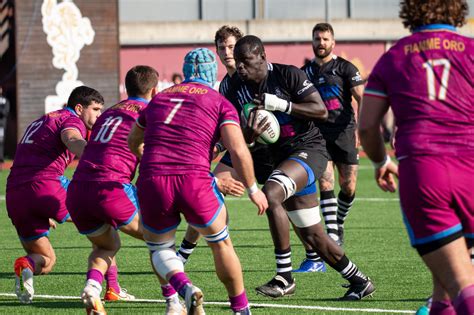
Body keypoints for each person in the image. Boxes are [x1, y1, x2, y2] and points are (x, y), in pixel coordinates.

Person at [225, 35, 374, 300]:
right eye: (238, 62)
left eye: (246, 61)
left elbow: (321, 111)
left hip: (309, 150)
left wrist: (280, 104)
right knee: (313, 235)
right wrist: (249, 134)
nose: (241, 67)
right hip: (280, 157)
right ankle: (359, 281)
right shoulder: (236, 85)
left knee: (271, 194)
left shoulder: (288, 75)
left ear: (262, 55)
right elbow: (242, 134)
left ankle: (285, 277)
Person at [128, 47, 268, 315]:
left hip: (154, 180)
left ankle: (182, 293)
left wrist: (149, 162)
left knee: (160, 249)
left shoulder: (158, 99)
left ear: (186, 71)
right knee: (221, 243)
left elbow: (134, 140)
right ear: (211, 74)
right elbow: (238, 150)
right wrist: (253, 189)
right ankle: (240, 309)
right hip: (194, 179)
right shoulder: (219, 101)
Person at [359, 0, 473, 314]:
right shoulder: (471, 49)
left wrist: (381, 162)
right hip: (471, 169)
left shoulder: (394, 57)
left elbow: (367, 127)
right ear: (456, 9)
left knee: (461, 284)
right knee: (445, 289)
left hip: (425, 173)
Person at [65, 66, 175, 314]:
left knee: (106, 245)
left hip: (78, 189)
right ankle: (176, 299)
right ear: (155, 90)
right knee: (159, 238)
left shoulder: (109, 112)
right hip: (111, 187)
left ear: (127, 89)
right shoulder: (151, 112)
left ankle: (93, 288)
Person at [6, 86, 103, 304]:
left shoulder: (43, 120)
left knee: (46, 261)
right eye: (95, 109)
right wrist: (96, 157)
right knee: (103, 224)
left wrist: (44, 206)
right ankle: (112, 289)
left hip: (15, 194)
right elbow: (71, 138)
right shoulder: (71, 120)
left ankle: (26, 265)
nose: (99, 115)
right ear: (79, 108)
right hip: (45, 185)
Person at [176, 25, 247, 265]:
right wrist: (217, 146)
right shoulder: (225, 85)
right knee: (207, 193)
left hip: (265, 148)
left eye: (231, 46)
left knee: (284, 201)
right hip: (242, 147)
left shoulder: (253, 75)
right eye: (222, 47)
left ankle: (313, 253)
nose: (227, 52)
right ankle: (183, 254)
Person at [299, 23, 365, 272]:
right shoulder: (305, 72)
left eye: (325, 39)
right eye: (317, 38)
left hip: (345, 132)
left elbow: (362, 97)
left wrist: (363, 126)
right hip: (319, 134)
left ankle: (338, 221)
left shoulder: (346, 68)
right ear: (312, 41)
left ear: (333, 42)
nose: (321, 43)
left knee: (348, 187)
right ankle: (333, 234)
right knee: (326, 181)